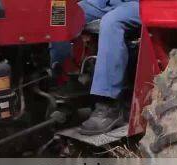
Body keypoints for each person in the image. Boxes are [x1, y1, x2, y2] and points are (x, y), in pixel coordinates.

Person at [51, 0, 141, 135]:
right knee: (60, 11)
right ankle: (57, 81)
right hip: (108, 2)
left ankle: (109, 104)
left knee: (111, 22)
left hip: (144, 4)